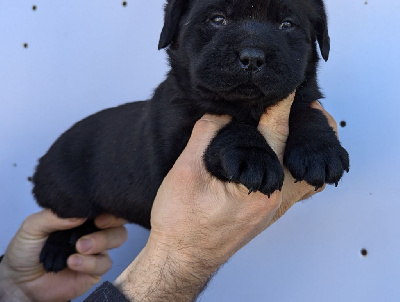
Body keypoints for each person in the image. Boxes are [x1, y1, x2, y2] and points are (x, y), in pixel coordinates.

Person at [0, 94, 339, 302]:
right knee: (68, 208)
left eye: (287, 24)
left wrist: (16, 290)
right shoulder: (181, 104)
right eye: (217, 19)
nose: (251, 49)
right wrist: (184, 258)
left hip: (21, 281)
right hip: (73, 170)